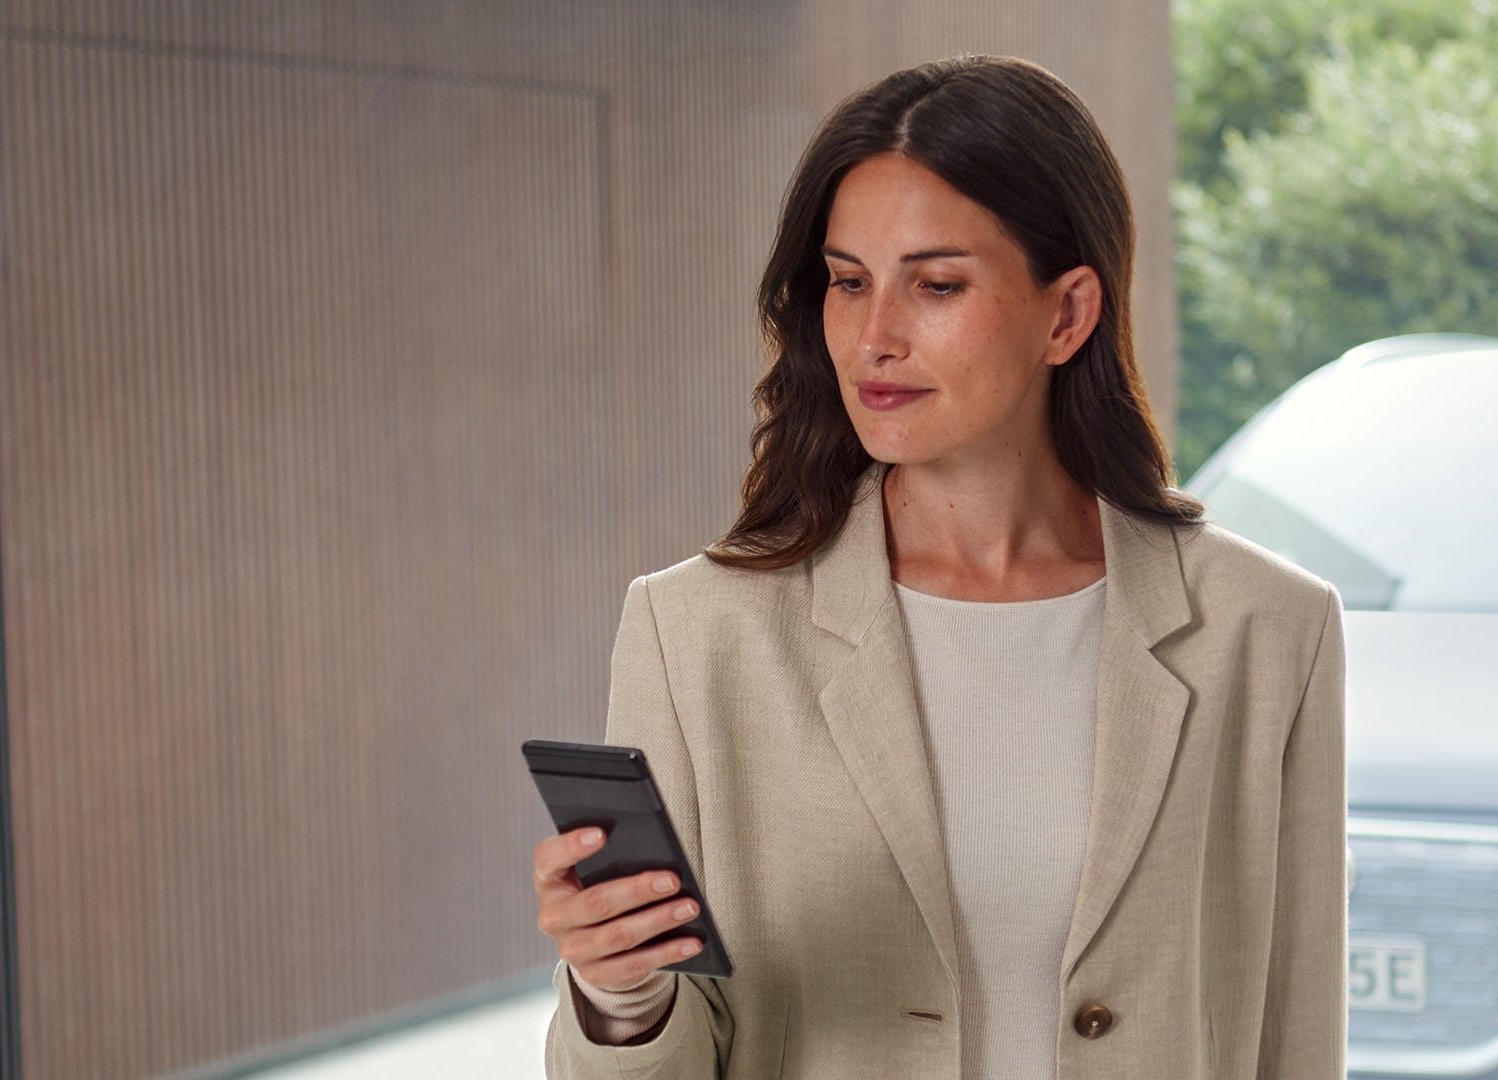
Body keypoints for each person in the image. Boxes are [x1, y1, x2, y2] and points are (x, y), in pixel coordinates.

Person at [532, 53, 1346, 1080]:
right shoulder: (698, 633)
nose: (875, 337)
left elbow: (1298, 1034)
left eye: (938, 285)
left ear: (1069, 314)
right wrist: (618, 993)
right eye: (846, 282)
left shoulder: (1267, 629)